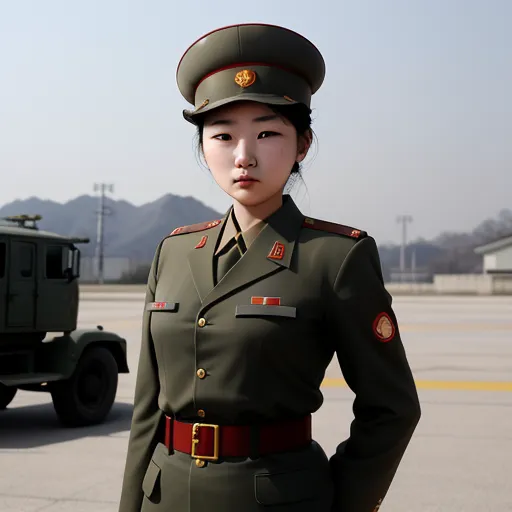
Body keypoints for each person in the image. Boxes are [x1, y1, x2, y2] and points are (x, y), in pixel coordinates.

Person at [118, 23, 421, 512]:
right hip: (165, 496)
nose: (244, 156)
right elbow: (147, 409)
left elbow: (392, 408)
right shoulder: (173, 251)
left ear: (301, 145)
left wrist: (340, 501)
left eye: (267, 133)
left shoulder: (336, 256)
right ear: (203, 148)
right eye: (222, 135)